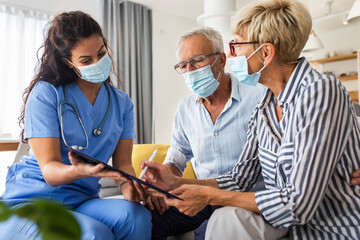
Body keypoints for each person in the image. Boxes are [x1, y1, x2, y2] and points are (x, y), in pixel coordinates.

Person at [142, 0, 360, 239]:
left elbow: (298, 205)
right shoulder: (266, 105)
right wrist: (174, 182)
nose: (232, 52)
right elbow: (240, 178)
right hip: (283, 224)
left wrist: (209, 196)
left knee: (224, 220)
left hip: (331, 230)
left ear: (266, 52)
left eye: (236, 45)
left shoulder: (320, 91)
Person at [0, 11, 151, 240]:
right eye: (86, 60)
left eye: (101, 54)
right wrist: (78, 171)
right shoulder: (46, 94)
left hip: (82, 200)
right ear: (67, 62)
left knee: (136, 216)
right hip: (32, 199)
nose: (98, 63)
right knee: (93, 234)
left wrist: (129, 186)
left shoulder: (122, 103)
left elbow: (122, 165)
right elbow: (50, 170)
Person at [147, 27, 266, 239]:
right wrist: (162, 182)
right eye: (183, 65)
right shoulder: (185, 108)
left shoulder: (257, 96)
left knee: (208, 232)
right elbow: (178, 156)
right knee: (149, 218)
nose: (190, 70)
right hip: (202, 196)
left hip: (245, 199)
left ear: (221, 60)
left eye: (198, 60)